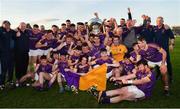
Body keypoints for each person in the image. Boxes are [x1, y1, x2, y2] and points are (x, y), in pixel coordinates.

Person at [153, 16, 175, 83]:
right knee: (157, 63)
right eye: (157, 21)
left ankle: (171, 77)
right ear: (156, 22)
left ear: (163, 21)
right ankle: (158, 75)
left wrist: (172, 44)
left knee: (168, 63)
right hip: (157, 50)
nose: (159, 22)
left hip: (165, 50)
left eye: (160, 21)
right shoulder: (154, 28)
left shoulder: (166, 28)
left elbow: (172, 37)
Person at [0, 20, 16, 89]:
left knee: (11, 69)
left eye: (8, 24)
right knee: (3, 70)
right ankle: (1, 83)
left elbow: (16, 36)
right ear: (2, 25)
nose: (6, 25)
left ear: (10, 25)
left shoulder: (12, 31)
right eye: (5, 24)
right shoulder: (0, 31)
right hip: (3, 54)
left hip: (12, 54)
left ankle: (10, 81)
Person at [15, 22, 30, 87]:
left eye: (24, 26)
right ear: (19, 26)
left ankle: (23, 79)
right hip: (18, 52)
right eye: (22, 26)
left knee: (25, 65)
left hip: (25, 52)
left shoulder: (27, 32)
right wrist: (16, 36)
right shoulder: (16, 31)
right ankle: (18, 79)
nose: (23, 27)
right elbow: (12, 38)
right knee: (18, 66)